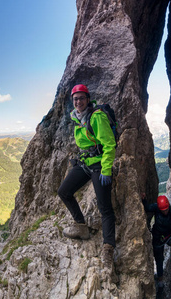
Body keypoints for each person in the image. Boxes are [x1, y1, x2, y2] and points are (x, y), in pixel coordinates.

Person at [57, 84, 117, 269]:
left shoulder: (97, 117)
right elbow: (85, 144)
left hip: (100, 164)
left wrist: (106, 169)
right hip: (85, 162)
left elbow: (109, 144)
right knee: (64, 191)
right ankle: (81, 226)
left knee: (104, 207)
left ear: (88, 99)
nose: (78, 101)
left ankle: (108, 248)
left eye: (81, 98)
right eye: (75, 99)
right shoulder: (77, 118)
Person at [142, 194, 171, 285]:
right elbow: (147, 208)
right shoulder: (156, 208)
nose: (165, 212)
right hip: (158, 237)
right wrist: (144, 200)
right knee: (159, 260)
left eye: (166, 209)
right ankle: (160, 279)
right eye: (163, 210)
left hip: (170, 235)